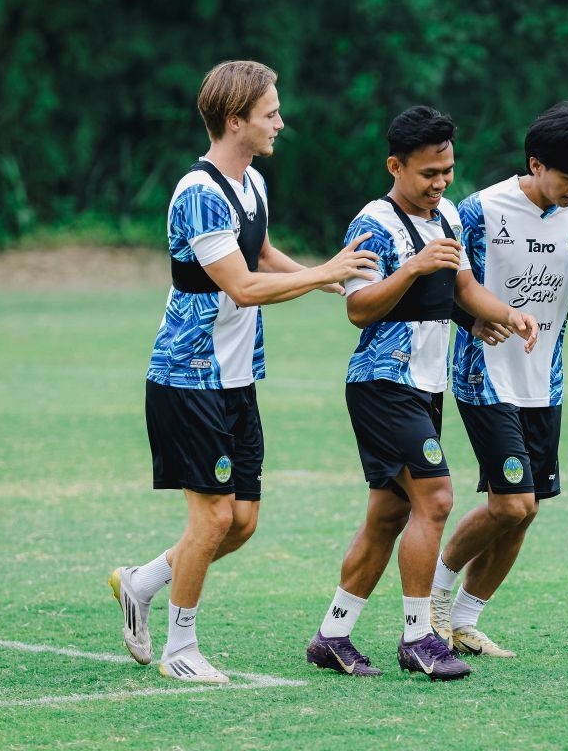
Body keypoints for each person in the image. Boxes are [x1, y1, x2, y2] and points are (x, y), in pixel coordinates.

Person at [108, 60, 379, 684]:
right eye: (270, 113)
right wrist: (324, 271)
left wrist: (330, 281)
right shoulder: (199, 193)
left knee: (243, 521)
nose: (281, 122)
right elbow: (242, 285)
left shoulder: (250, 183)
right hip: (188, 376)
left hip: (234, 378)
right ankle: (181, 649)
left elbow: (258, 253)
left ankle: (141, 583)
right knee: (212, 519)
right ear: (236, 121)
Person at [306, 106, 539, 681]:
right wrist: (410, 268)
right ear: (395, 166)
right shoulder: (372, 224)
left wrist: (504, 313)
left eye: (447, 171)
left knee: (388, 514)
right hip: (384, 384)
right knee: (435, 499)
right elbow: (358, 309)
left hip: (425, 385)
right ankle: (419, 638)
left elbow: (461, 286)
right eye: (428, 173)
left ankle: (331, 635)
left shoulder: (449, 217)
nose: (439, 184)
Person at [430, 101, 568, 658]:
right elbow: (447, 288)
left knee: (525, 509)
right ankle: (432, 603)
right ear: (536, 164)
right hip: (484, 374)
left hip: (544, 379)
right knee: (513, 504)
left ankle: (464, 620)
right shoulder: (480, 211)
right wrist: (474, 319)